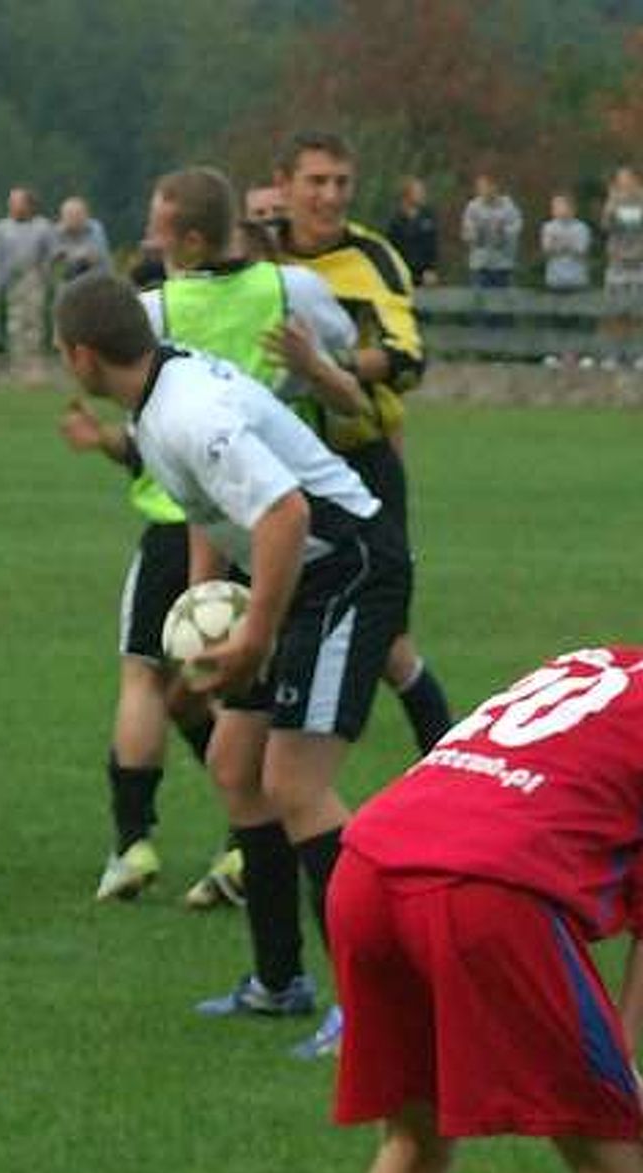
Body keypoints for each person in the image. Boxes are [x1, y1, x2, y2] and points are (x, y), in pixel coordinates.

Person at [56, 272, 410, 1061]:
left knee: (297, 784)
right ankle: (278, 981)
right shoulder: (156, 400)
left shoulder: (184, 411)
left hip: (349, 568)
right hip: (303, 571)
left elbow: (284, 511)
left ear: (79, 355)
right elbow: (210, 512)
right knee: (234, 761)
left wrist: (255, 631)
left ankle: (379, 1007)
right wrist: (199, 607)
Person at [328, 645, 643, 1173]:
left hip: (365, 868)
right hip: (482, 885)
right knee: (616, 1163)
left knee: (416, 1140)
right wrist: (621, 1061)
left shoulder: (617, 665)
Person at [62, 164, 366, 909]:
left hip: (291, 528)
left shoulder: (160, 321)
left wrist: (254, 628)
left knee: (151, 681)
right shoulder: (284, 288)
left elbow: (283, 509)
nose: (152, 241)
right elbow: (348, 357)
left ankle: (135, 841)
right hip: (243, 524)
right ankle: (270, 957)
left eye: (161, 230)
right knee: (237, 745)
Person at [273, 131, 455, 765]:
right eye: (315, 181)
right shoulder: (260, 257)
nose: (329, 196)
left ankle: (450, 758)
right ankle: (259, 815)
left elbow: (410, 357)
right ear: (286, 184)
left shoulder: (375, 258)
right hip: (280, 470)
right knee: (275, 626)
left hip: (362, 464)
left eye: (340, 183)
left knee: (385, 638)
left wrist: (328, 363)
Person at [601, 167, 643, 368]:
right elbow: (605, 225)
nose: (624, 184)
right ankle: (615, 354)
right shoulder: (613, 200)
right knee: (616, 309)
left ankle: (642, 354)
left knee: (641, 310)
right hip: (618, 261)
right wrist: (612, 206)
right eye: (620, 180)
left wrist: (642, 214)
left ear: (636, 180)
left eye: (628, 180)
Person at [0, 186, 53, 357]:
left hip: (33, 279)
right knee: (13, 324)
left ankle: (33, 361)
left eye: (16, 202)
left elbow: (50, 255)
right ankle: (15, 359)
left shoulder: (43, 227)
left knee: (34, 322)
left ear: (29, 205)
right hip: (10, 280)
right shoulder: (2, 228)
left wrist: (45, 278)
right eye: (11, 202)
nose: (12, 206)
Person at [460, 173, 521, 289]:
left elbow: (515, 231)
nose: (482, 191)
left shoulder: (509, 207)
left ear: (494, 187)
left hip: (503, 266)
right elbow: (466, 234)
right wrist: (476, 232)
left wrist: (502, 230)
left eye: (485, 187)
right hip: (480, 266)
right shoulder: (473, 207)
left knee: (503, 304)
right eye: (479, 188)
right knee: (479, 304)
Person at [385, 176, 439, 286]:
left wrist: (431, 269)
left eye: (422, 191)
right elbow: (391, 250)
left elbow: (432, 246)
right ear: (407, 194)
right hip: (402, 275)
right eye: (418, 192)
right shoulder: (395, 221)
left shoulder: (428, 218)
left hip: (424, 276)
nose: (422, 194)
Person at [50, 195, 112, 280]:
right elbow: (53, 258)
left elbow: (93, 257)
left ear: (86, 215)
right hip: (69, 282)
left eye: (78, 214)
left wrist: (68, 255)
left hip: (98, 280)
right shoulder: (56, 232)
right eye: (69, 215)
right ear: (62, 217)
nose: (74, 218)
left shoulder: (95, 228)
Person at [541, 191, 591, 293]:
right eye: (554, 207)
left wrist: (562, 244)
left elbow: (582, 252)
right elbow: (546, 251)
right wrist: (564, 245)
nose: (557, 210)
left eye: (560, 206)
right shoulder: (548, 227)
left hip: (577, 280)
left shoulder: (582, 228)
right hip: (554, 280)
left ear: (571, 209)